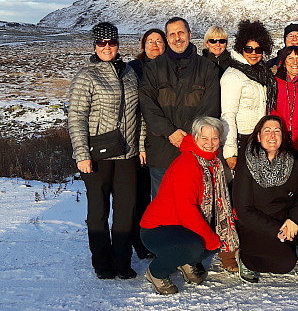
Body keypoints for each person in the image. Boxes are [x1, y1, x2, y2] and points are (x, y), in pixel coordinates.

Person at [68, 22, 143, 280]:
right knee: (98, 211)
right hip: (97, 154)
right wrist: (82, 154)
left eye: (112, 43)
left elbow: (138, 114)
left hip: (127, 154)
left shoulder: (129, 73)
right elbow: (77, 116)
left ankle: (122, 262)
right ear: (95, 45)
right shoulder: (86, 76)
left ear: (118, 44)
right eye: (102, 43)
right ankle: (102, 263)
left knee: (126, 210)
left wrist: (141, 145)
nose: (107, 48)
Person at [140, 116, 239, 295]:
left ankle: (186, 262)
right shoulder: (188, 164)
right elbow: (187, 210)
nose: (210, 143)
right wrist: (211, 239)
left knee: (223, 232)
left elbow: (218, 200)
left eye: (214, 138)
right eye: (204, 138)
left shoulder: (214, 162)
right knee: (197, 245)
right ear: (195, 138)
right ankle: (157, 272)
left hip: (182, 226)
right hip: (159, 229)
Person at [233, 115, 298, 285]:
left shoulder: (293, 160)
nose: (272, 135)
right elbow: (244, 211)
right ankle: (246, 259)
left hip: (287, 218)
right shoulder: (245, 164)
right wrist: (277, 229)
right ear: (258, 136)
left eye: (277, 131)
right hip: (257, 224)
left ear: (283, 136)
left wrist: (294, 220)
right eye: (267, 130)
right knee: (284, 264)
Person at [139, 17, 220, 198]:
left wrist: (186, 135)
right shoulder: (154, 68)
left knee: (194, 204)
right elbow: (147, 104)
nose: (177, 38)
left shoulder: (207, 68)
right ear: (167, 38)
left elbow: (210, 106)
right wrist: (170, 132)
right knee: (163, 207)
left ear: (189, 35)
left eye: (181, 33)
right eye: (172, 34)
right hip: (162, 151)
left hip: (195, 150)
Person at [128, 28, 168, 260]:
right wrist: (140, 143)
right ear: (143, 45)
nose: (154, 45)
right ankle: (140, 241)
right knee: (139, 195)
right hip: (139, 140)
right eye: (150, 41)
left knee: (160, 196)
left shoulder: (170, 68)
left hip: (162, 141)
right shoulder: (135, 69)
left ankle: (157, 239)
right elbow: (137, 109)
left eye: (158, 41)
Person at [220, 19, 277, 171]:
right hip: (241, 140)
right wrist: (230, 151)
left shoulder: (262, 73)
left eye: (258, 50)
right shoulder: (233, 76)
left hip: (258, 138)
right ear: (241, 48)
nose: (253, 53)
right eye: (249, 49)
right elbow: (228, 115)